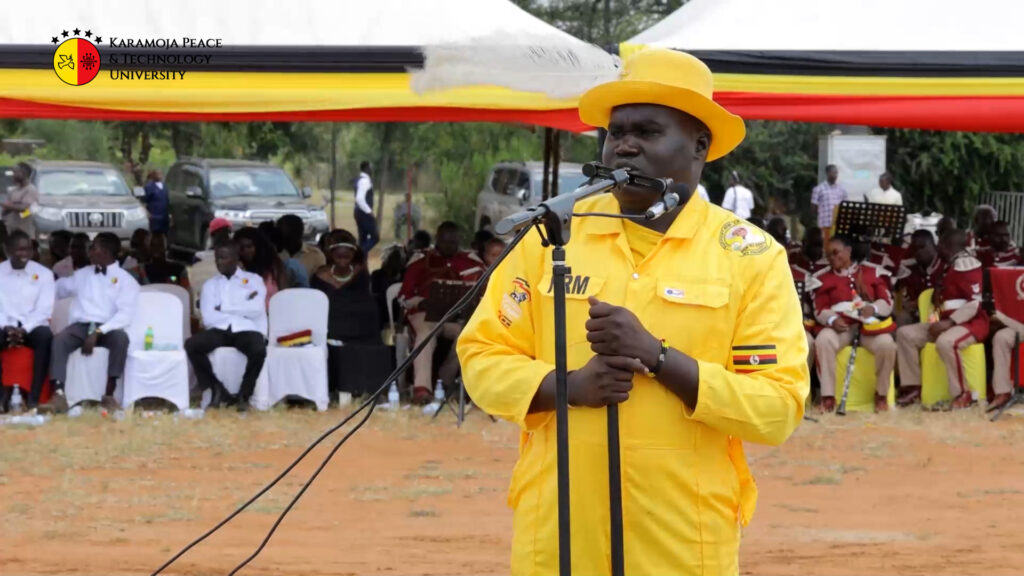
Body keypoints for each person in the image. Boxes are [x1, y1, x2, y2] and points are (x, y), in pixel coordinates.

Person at [457, 49, 809, 575]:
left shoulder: (750, 256)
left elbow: (777, 408)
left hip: (682, 538)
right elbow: (482, 356)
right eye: (615, 132)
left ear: (700, 144)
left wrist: (659, 358)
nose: (624, 145)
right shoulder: (553, 236)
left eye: (647, 131)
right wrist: (568, 387)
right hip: (560, 530)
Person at [39, 233, 140, 414]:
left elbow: (125, 315)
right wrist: (40, 285)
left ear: (105, 252)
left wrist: (99, 332)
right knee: (60, 339)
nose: (89, 251)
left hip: (108, 328)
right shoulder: (82, 274)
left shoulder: (126, 281)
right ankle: (59, 394)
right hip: (81, 326)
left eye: (93, 248)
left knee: (121, 339)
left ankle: (109, 395)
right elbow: (58, 289)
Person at [896, 230, 989, 410]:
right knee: (905, 334)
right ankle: (913, 387)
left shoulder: (967, 264)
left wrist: (950, 322)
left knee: (946, 343)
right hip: (947, 322)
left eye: (941, 244)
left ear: (947, 246)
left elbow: (976, 303)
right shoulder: (951, 265)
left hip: (970, 323)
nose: (938, 247)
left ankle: (963, 394)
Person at [811, 235, 897, 412]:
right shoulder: (821, 278)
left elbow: (887, 301)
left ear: (849, 251)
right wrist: (833, 320)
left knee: (887, 344)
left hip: (869, 328)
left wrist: (873, 308)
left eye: (836, 252)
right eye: (829, 255)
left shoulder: (872, 272)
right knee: (824, 339)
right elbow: (819, 308)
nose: (832, 258)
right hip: (840, 329)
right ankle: (828, 397)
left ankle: (881, 395)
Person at [401, 221, 484, 405]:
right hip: (425, 314)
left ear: (459, 241)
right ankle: (422, 389)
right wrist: (422, 302)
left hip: (456, 316)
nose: (448, 246)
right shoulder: (421, 260)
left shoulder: (471, 262)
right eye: (444, 241)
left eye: (452, 242)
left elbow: (484, 290)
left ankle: (444, 383)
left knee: (468, 336)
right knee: (426, 334)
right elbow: (404, 295)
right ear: (437, 239)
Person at [185, 241, 268, 411]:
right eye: (217, 258)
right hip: (220, 329)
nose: (219, 262)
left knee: (258, 350)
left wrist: (223, 307)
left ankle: (244, 394)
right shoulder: (210, 285)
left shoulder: (254, 280)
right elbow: (208, 317)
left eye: (223, 258)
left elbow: (256, 309)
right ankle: (217, 388)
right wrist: (242, 306)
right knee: (192, 345)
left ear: (236, 258)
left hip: (246, 328)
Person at [312, 230, 382, 398]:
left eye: (347, 257)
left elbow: (364, 302)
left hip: (358, 326)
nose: (343, 261)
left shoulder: (360, 273)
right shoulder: (319, 276)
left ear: (353, 254)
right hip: (331, 325)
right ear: (331, 255)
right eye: (339, 257)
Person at [0, 230, 55, 410]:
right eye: (20, 249)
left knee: (45, 337)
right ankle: (1, 398)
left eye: (28, 249)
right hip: (4, 326)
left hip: (32, 327)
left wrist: (24, 329)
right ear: (8, 250)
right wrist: (6, 327)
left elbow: (44, 310)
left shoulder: (44, 274)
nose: (25, 254)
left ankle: (34, 398)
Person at [893, 230, 944, 326]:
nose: (918, 252)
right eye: (914, 249)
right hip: (916, 313)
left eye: (922, 247)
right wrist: (904, 304)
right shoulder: (910, 269)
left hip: (939, 313)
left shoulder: (944, 266)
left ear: (934, 246)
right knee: (901, 316)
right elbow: (899, 293)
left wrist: (917, 303)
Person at [234, 227, 289, 307]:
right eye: (241, 248)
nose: (246, 251)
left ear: (258, 246)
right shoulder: (237, 269)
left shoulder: (274, 266)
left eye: (249, 246)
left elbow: (285, 295)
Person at [277, 214, 325, 280]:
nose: (290, 237)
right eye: (285, 233)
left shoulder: (315, 255)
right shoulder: (272, 254)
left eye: (293, 232)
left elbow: (322, 280)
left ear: (301, 232)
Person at [1, 163, 39, 239]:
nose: (13, 175)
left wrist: (5, 205)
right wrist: (6, 209)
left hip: (25, 232)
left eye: (15, 172)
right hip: (12, 230)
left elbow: (23, 208)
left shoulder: (30, 190)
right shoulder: (14, 190)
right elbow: (5, 211)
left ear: (24, 173)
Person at [810, 165, 847, 241]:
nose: (835, 175)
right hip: (825, 224)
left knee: (837, 245)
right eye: (833, 173)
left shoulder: (842, 189)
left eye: (836, 173)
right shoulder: (819, 189)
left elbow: (845, 206)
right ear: (828, 173)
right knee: (826, 245)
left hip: (837, 225)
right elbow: (813, 208)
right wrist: (822, 213)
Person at [354, 161, 380, 255]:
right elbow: (359, 199)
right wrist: (369, 211)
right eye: (371, 167)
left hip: (358, 212)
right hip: (364, 213)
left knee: (363, 240)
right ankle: (358, 255)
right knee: (375, 237)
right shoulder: (365, 181)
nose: (372, 169)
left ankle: (362, 262)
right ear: (366, 168)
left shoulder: (360, 179)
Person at [143, 170, 169, 234]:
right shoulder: (149, 187)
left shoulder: (165, 186)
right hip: (153, 215)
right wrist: (147, 212)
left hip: (164, 215)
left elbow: (167, 199)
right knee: (152, 232)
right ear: (153, 176)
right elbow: (145, 201)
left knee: (163, 233)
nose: (159, 176)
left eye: (160, 174)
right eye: (157, 174)